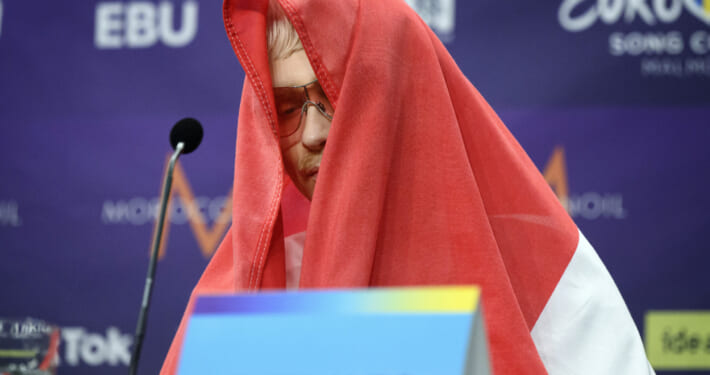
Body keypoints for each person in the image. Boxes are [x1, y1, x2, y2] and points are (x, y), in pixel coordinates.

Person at [161, 0, 655, 373]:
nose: (314, 134)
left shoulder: (547, 276)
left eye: (337, 99)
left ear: (402, 95)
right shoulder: (242, 285)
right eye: (288, 109)